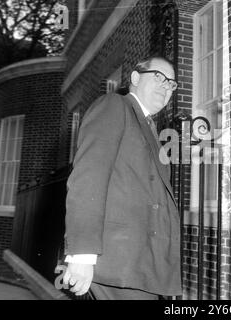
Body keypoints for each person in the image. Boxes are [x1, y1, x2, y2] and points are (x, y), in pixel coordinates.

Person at [62, 56, 181, 300]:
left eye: (171, 83)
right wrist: (82, 255)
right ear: (135, 78)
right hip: (116, 262)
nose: (165, 86)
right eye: (159, 77)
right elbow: (88, 178)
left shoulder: (149, 128)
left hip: (140, 267)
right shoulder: (114, 106)